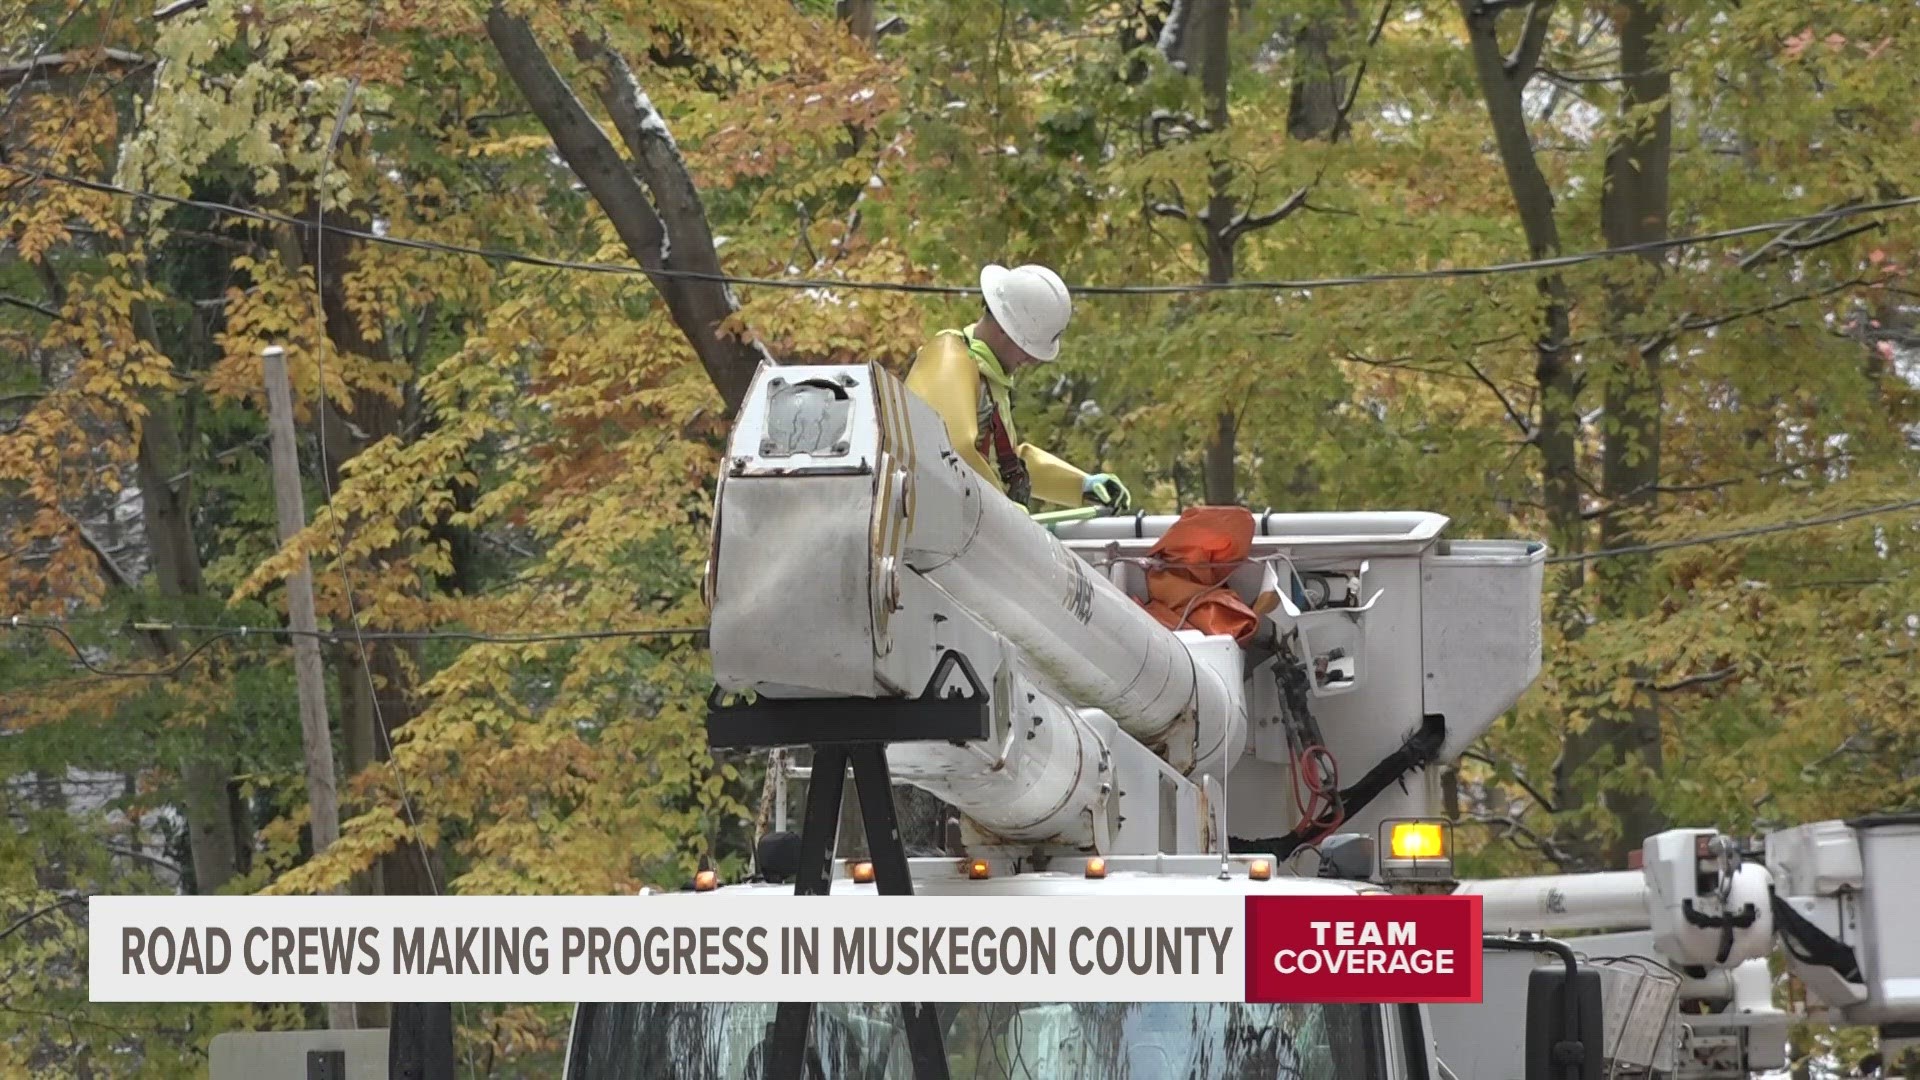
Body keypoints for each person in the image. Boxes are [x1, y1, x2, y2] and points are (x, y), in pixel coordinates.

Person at [904, 263, 1132, 513]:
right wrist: (1006, 517)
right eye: (1029, 347)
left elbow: (1007, 463)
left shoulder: (988, 378)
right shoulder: (949, 356)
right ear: (1004, 326)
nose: (1033, 360)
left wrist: (1082, 485)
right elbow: (952, 450)